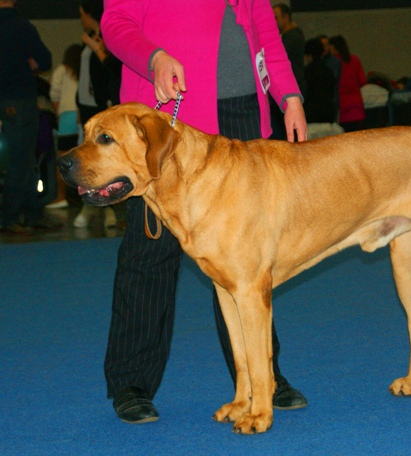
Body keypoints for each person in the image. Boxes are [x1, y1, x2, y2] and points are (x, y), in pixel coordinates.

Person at [100, 0, 308, 424]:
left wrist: (287, 94)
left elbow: (265, 30)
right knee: (150, 254)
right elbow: (116, 21)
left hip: (243, 112)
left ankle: (262, 378)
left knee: (248, 260)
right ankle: (132, 381)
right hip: (165, 122)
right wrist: (154, 57)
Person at [0, 0, 61, 234]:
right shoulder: (22, 26)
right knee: (22, 159)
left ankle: (32, 212)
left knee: (18, 159)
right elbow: (44, 61)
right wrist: (25, 65)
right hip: (19, 100)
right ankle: (10, 217)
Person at [73, 0, 122, 229]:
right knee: (86, 161)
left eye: (81, 14)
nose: (80, 19)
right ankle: (90, 205)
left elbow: (113, 70)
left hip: (101, 106)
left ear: (87, 13)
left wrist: (96, 48)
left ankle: (106, 209)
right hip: (87, 107)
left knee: (97, 161)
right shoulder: (93, 35)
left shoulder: (105, 36)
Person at [46, 43, 83, 209]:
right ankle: (86, 201)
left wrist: (58, 113)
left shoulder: (62, 70)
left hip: (67, 117)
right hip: (83, 116)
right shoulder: (84, 69)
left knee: (62, 158)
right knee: (84, 160)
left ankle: (61, 197)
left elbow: (54, 94)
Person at [269, 2, 305, 140]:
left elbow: (276, 60)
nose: (273, 21)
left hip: (290, 92)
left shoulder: (293, 36)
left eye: (276, 17)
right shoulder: (290, 35)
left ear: (286, 17)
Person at [329, 35, 367, 132]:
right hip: (356, 106)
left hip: (341, 107)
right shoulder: (354, 60)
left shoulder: (332, 63)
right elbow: (362, 81)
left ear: (333, 47)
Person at [303, 38, 337, 124]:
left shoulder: (306, 72)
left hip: (311, 114)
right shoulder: (329, 70)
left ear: (309, 55)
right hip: (328, 113)